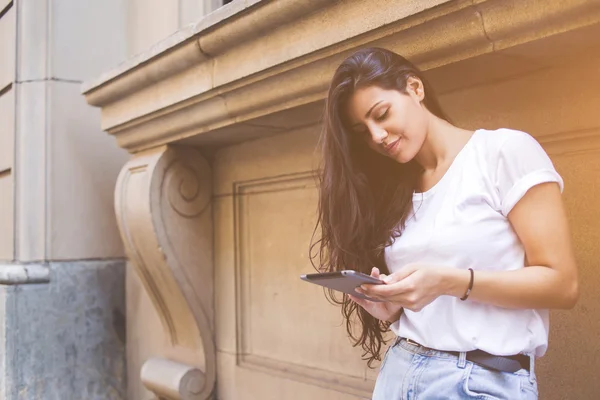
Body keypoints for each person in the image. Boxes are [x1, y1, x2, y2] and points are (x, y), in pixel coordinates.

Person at [310, 47, 578, 399]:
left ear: (415, 89)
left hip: (478, 381)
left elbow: (563, 285)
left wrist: (450, 281)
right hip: (401, 370)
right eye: (363, 130)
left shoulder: (503, 152)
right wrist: (392, 310)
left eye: (382, 114)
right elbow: (431, 311)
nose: (376, 136)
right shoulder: (394, 190)